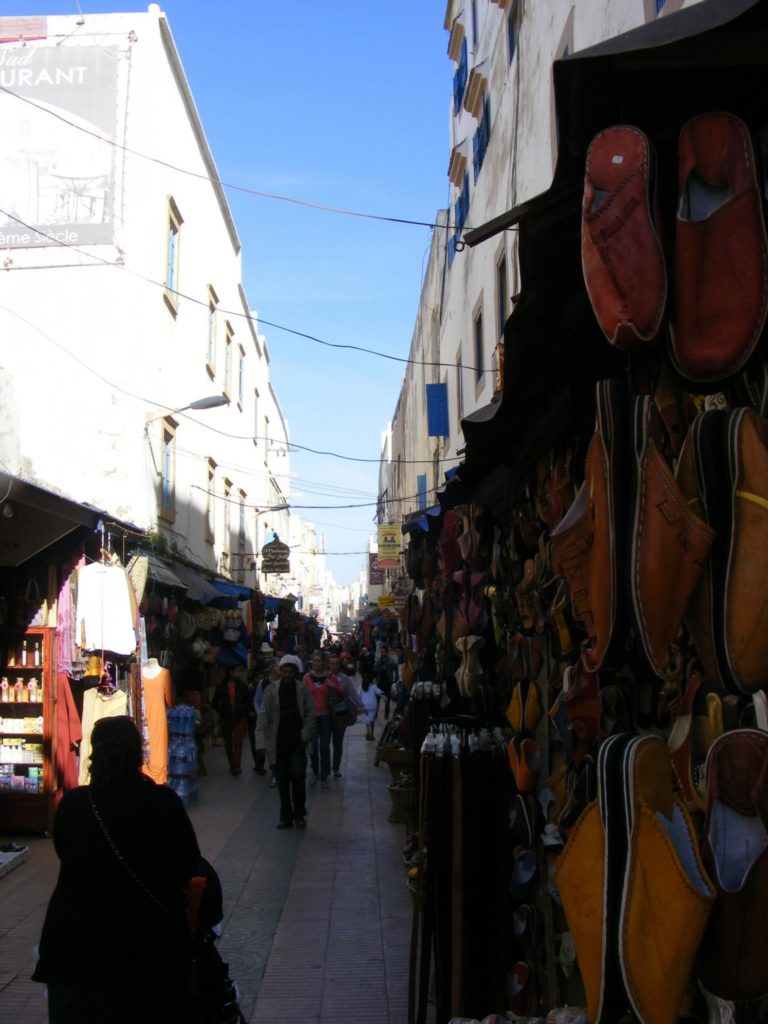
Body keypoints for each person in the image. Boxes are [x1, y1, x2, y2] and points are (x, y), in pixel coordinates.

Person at [32, 716, 202, 1024]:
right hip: (146, 952)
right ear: (138, 754)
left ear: (94, 754)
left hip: (74, 950)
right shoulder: (162, 803)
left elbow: (65, 852)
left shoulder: (74, 804)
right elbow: (188, 863)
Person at [255, 653, 316, 829]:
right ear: (280, 671)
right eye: (285, 671)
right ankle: (286, 816)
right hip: (278, 742)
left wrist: (305, 735)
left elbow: (310, 715)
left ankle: (299, 813)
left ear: (295, 672)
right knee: (282, 780)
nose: (288, 675)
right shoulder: (271, 691)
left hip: (297, 742)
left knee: (297, 776)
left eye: (291, 672)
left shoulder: (302, 690)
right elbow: (263, 717)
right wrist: (261, 743)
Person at [327, 652, 364, 777]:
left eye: (336, 664)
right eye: (332, 664)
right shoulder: (324, 677)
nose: (335, 666)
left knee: (338, 742)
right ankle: (324, 768)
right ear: (328, 665)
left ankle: (336, 768)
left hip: (341, 714)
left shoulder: (344, 678)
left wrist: (361, 706)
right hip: (327, 714)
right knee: (325, 743)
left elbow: (352, 693)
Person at [211, 662, 250, 776]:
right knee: (228, 743)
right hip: (226, 718)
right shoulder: (221, 687)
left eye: (240, 671)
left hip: (239, 717)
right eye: (237, 671)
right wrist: (222, 710)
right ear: (231, 672)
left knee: (238, 743)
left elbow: (247, 701)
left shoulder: (242, 687)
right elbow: (214, 703)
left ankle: (236, 766)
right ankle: (232, 764)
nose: (239, 674)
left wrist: (243, 711)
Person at [303, 650, 334, 788]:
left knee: (324, 747)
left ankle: (324, 775)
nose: (316, 663)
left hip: (326, 716)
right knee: (313, 747)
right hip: (311, 717)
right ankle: (315, 772)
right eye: (314, 661)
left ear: (323, 662)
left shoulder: (330, 677)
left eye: (318, 661)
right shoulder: (306, 678)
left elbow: (339, 693)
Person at [358, 675, 385, 741]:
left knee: (367, 720)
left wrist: (358, 706)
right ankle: (372, 734)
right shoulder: (373, 686)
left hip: (365, 706)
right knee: (372, 720)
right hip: (373, 705)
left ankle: (368, 733)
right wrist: (385, 697)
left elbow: (358, 695)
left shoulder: (361, 687)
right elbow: (379, 692)